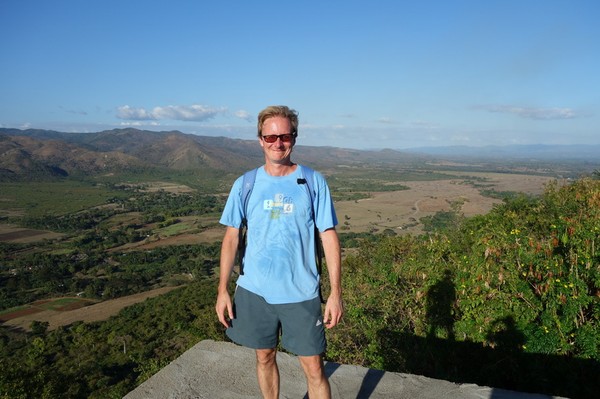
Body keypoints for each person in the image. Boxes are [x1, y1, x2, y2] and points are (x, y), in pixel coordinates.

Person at [215, 105, 343, 398]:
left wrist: (335, 293)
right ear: (260, 140)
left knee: (314, 368)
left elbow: (329, 237)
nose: (278, 143)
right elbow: (231, 237)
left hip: (300, 292)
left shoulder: (313, 182)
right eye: (270, 137)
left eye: (284, 136)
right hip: (255, 291)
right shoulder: (245, 184)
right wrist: (223, 289)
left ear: (294, 138)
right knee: (264, 357)